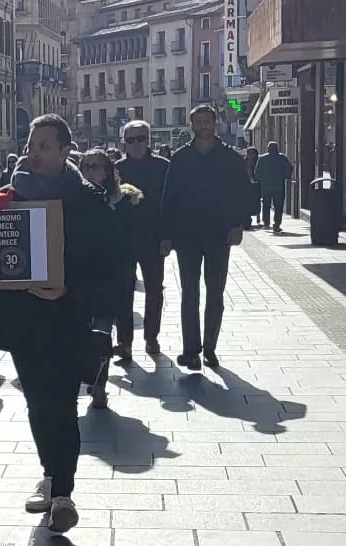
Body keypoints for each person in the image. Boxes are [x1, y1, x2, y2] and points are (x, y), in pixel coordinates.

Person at [0, 116, 122, 535]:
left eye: (44, 145)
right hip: (24, 318)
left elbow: (109, 264)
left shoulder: (88, 201)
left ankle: (63, 490)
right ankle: (49, 472)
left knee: (61, 403)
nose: (34, 151)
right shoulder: (10, 197)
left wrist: (68, 288)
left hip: (68, 315)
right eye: (31, 143)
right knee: (38, 402)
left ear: (64, 152)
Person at [160, 105, 250, 371]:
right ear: (192, 126)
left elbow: (243, 193)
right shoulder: (180, 158)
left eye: (206, 121)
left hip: (219, 235)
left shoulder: (230, 158)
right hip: (186, 235)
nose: (202, 126)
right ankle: (191, 350)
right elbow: (169, 197)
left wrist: (239, 225)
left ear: (216, 124)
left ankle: (210, 346)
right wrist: (166, 234)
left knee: (215, 293)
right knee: (189, 293)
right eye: (197, 122)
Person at [78, 149, 141, 411]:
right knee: (83, 334)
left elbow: (132, 238)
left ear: (108, 170)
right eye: (88, 167)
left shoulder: (123, 201)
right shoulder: (74, 199)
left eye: (99, 167)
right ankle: (91, 378)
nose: (94, 172)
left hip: (113, 275)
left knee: (102, 332)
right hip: (81, 276)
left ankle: (100, 386)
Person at [113, 120, 169, 360]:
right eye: (130, 139)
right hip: (122, 241)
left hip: (154, 238)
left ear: (149, 139)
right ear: (123, 142)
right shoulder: (114, 169)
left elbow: (171, 204)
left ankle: (151, 337)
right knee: (122, 292)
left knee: (155, 290)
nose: (136, 144)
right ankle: (124, 343)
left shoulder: (163, 167)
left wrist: (168, 236)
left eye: (140, 138)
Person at [254, 141, 294, 233]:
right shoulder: (282, 158)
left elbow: (257, 173)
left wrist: (261, 179)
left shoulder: (262, 159)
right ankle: (276, 224)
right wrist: (284, 176)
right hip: (278, 186)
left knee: (266, 205)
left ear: (268, 149)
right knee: (278, 206)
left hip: (266, 186)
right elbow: (289, 169)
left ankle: (266, 222)